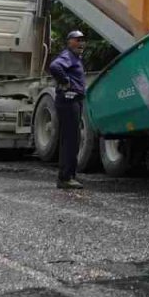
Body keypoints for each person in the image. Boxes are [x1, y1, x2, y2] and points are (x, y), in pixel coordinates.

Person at [48, 30, 87, 190]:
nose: (81, 43)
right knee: (70, 139)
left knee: (73, 139)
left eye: (82, 40)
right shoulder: (68, 56)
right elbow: (54, 66)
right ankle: (65, 178)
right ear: (69, 41)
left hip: (74, 100)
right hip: (68, 100)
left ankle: (69, 175)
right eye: (77, 40)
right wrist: (65, 81)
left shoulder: (75, 58)